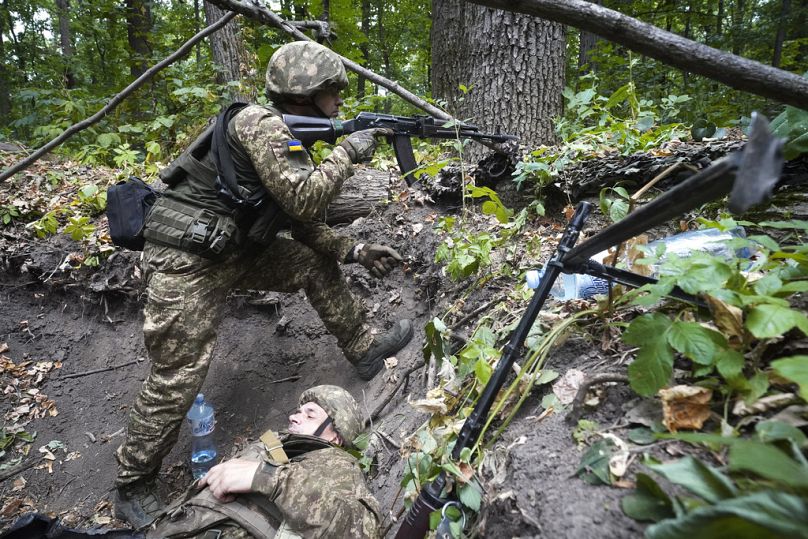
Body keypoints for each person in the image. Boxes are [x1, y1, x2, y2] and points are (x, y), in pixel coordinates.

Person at [114, 40, 414, 527]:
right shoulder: (260, 123)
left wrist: (351, 250)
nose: (339, 101)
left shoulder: (284, 134)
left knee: (311, 264)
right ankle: (132, 481)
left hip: (232, 251)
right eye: (333, 92)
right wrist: (346, 153)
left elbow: (295, 219)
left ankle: (364, 346)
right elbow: (303, 197)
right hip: (185, 263)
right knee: (178, 375)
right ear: (306, 92)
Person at [145, 385, 381, 538]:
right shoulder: (274, 446)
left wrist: (269, 478)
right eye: (298, 411)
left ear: (336, 436)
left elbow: (360, 530)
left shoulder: (339, 465)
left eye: (310, 414)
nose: (294, 416)